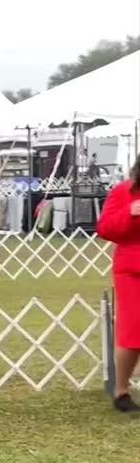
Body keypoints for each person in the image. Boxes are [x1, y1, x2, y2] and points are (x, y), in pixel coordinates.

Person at [97, 156, 140, 413]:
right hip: (131, 271)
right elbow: (105, 229)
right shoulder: (123, 192)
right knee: (133, 332)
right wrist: (129, 212)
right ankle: (121, 391)